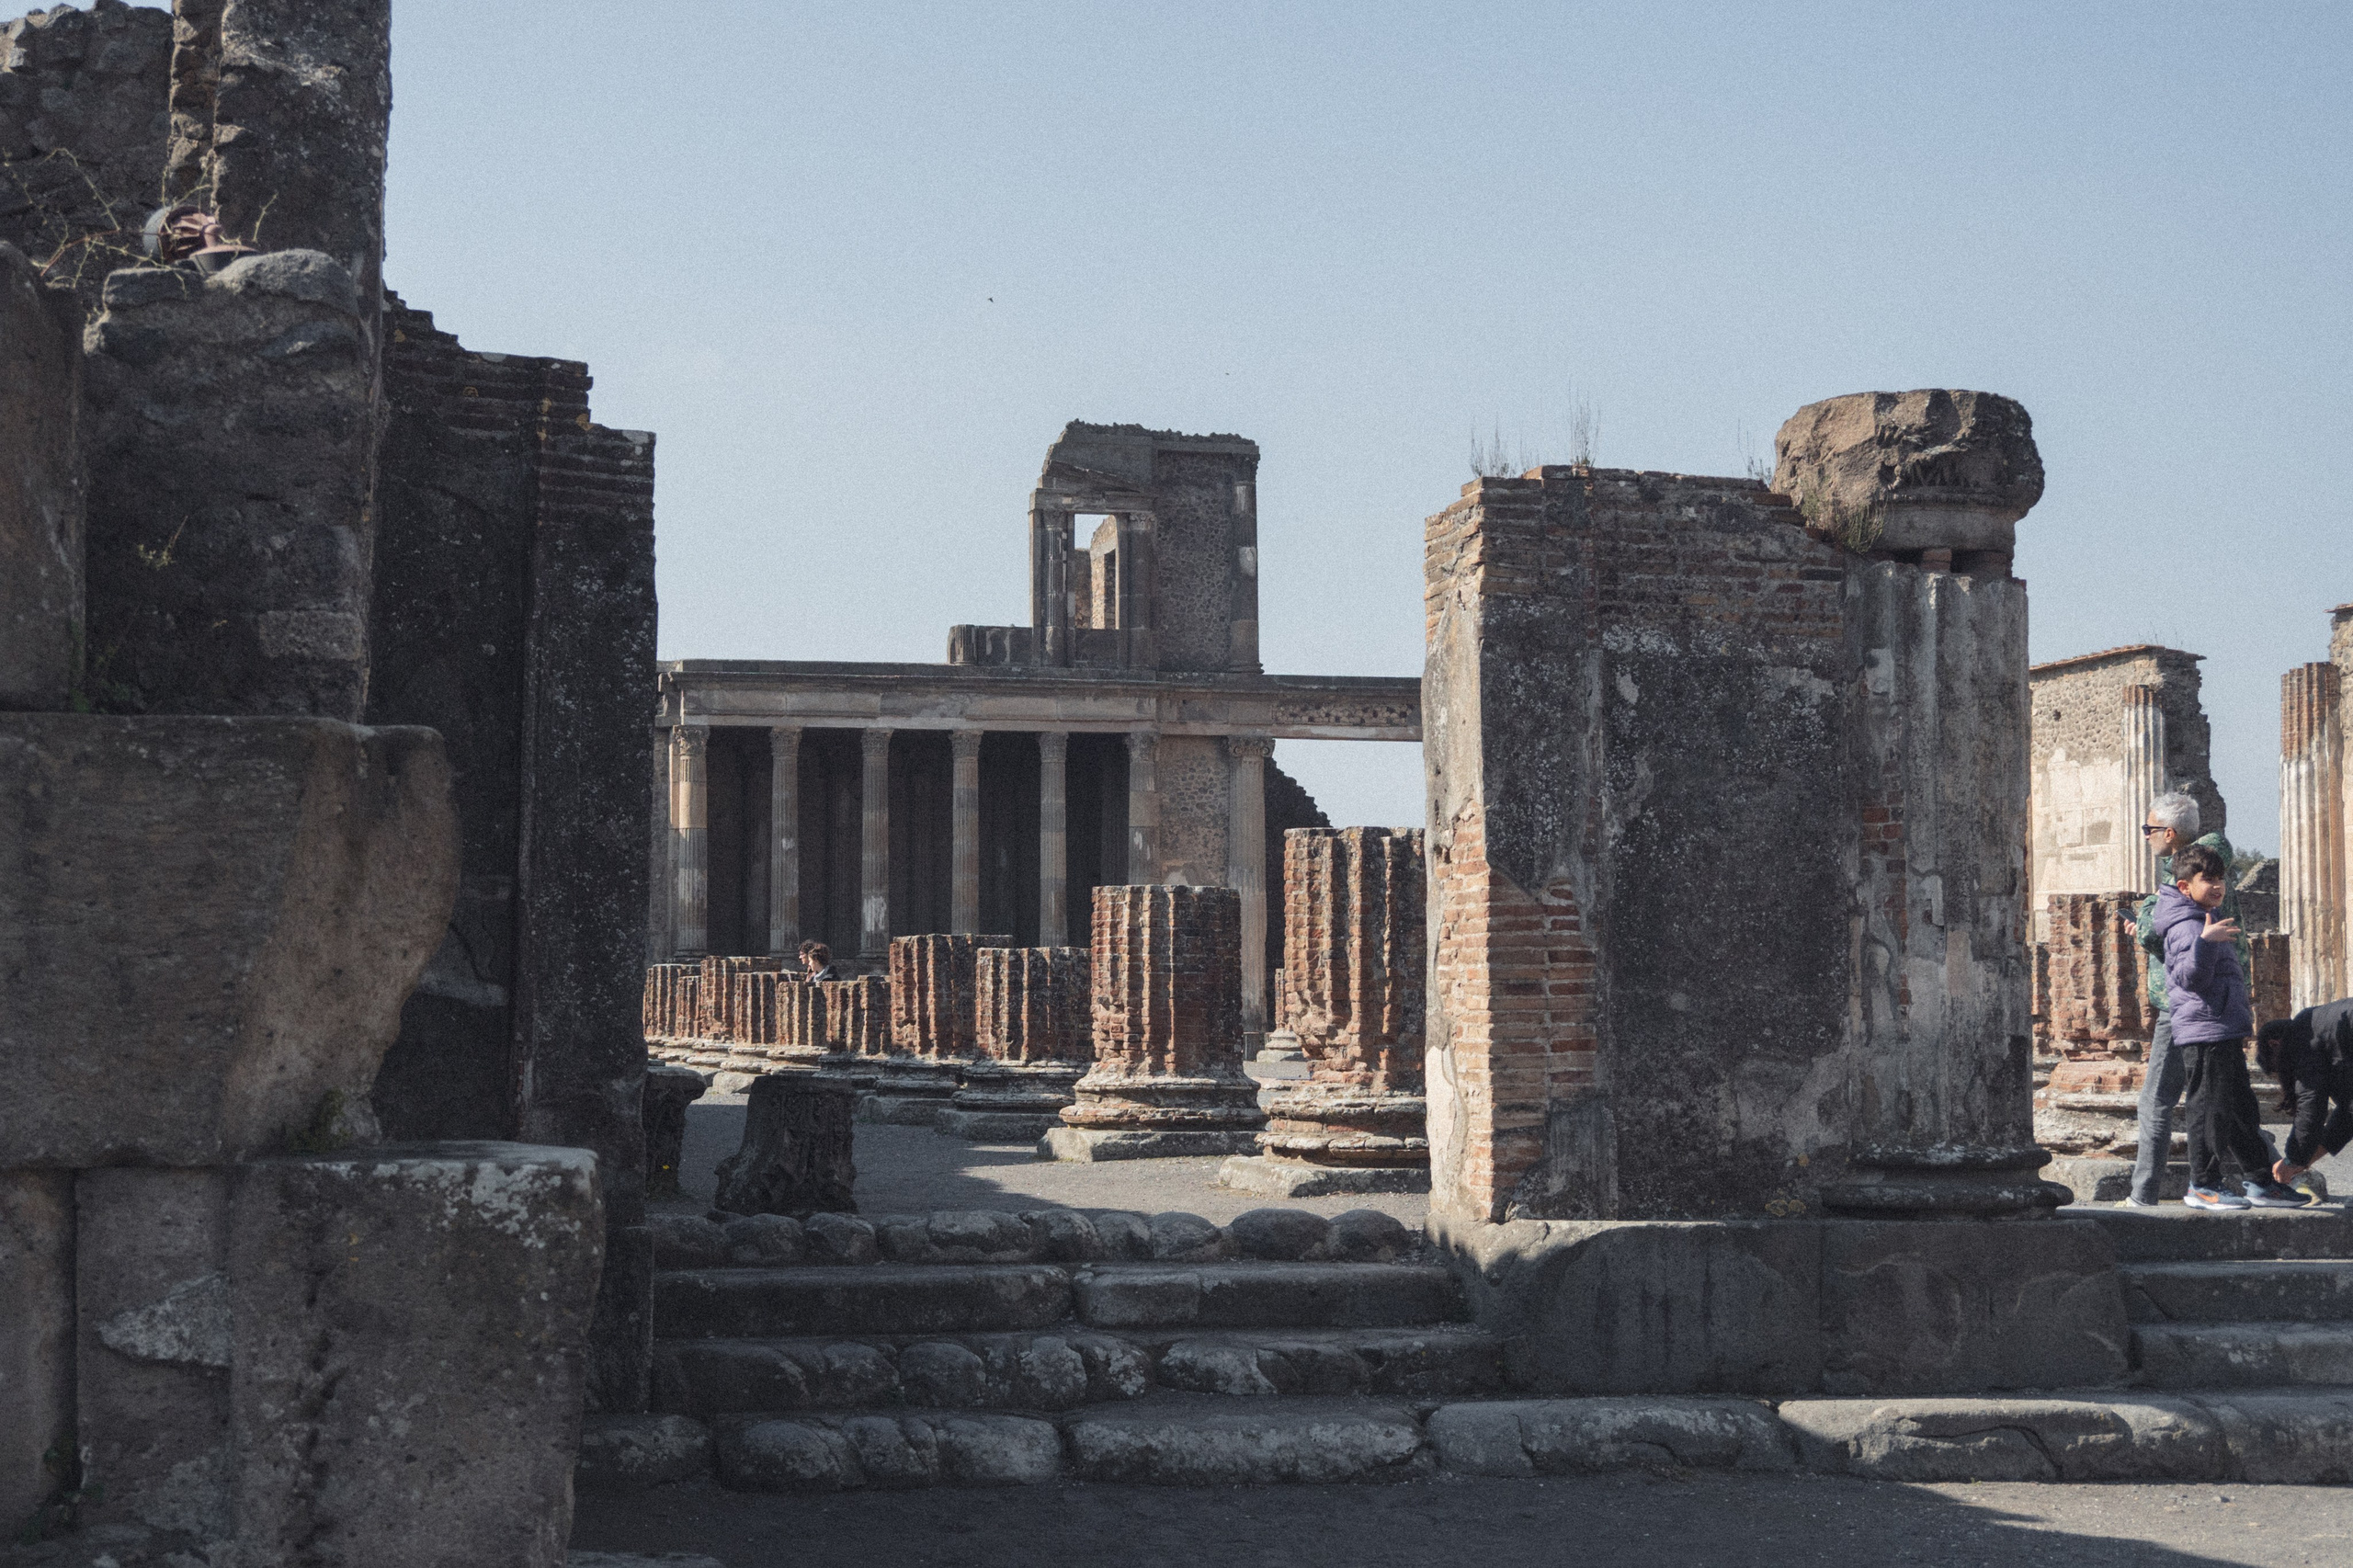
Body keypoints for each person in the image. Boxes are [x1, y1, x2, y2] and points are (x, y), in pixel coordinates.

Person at [2155, 843, 2304, 1209]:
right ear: (2185, 886)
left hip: (2222, 1027)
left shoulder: (2206, 917)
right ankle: (2203, 1185)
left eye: (2221, 878)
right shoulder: (2186, 925)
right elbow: (2190, 979)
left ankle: (2259, 1181)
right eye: (2208, 879)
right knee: (2209, 1110)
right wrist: (2204, 944)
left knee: (2240, 1108)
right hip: (2204, 1031)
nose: (2218, 886)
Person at [2127, 792, 2251, 1207]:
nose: (2146, 837)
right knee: (2225, 1097)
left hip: (2187, 1005)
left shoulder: (2190, 878)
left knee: (2160, 1101)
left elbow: (2175, 944)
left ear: (2169, 833)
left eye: (2149, 830)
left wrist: (2145, 921)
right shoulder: (2213, 870)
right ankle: (2270, 1175)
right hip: (2221, 1004)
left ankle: (2144, 1194)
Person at [2256, 999, 2353, 1196]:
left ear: (2275, 1044)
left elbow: (2311, 1104)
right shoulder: (2316, 1029)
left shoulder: (2300, 1040)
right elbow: (2349, 1113)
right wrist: (2304, 1160)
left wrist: (2293, 1159)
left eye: (2279, 1068)